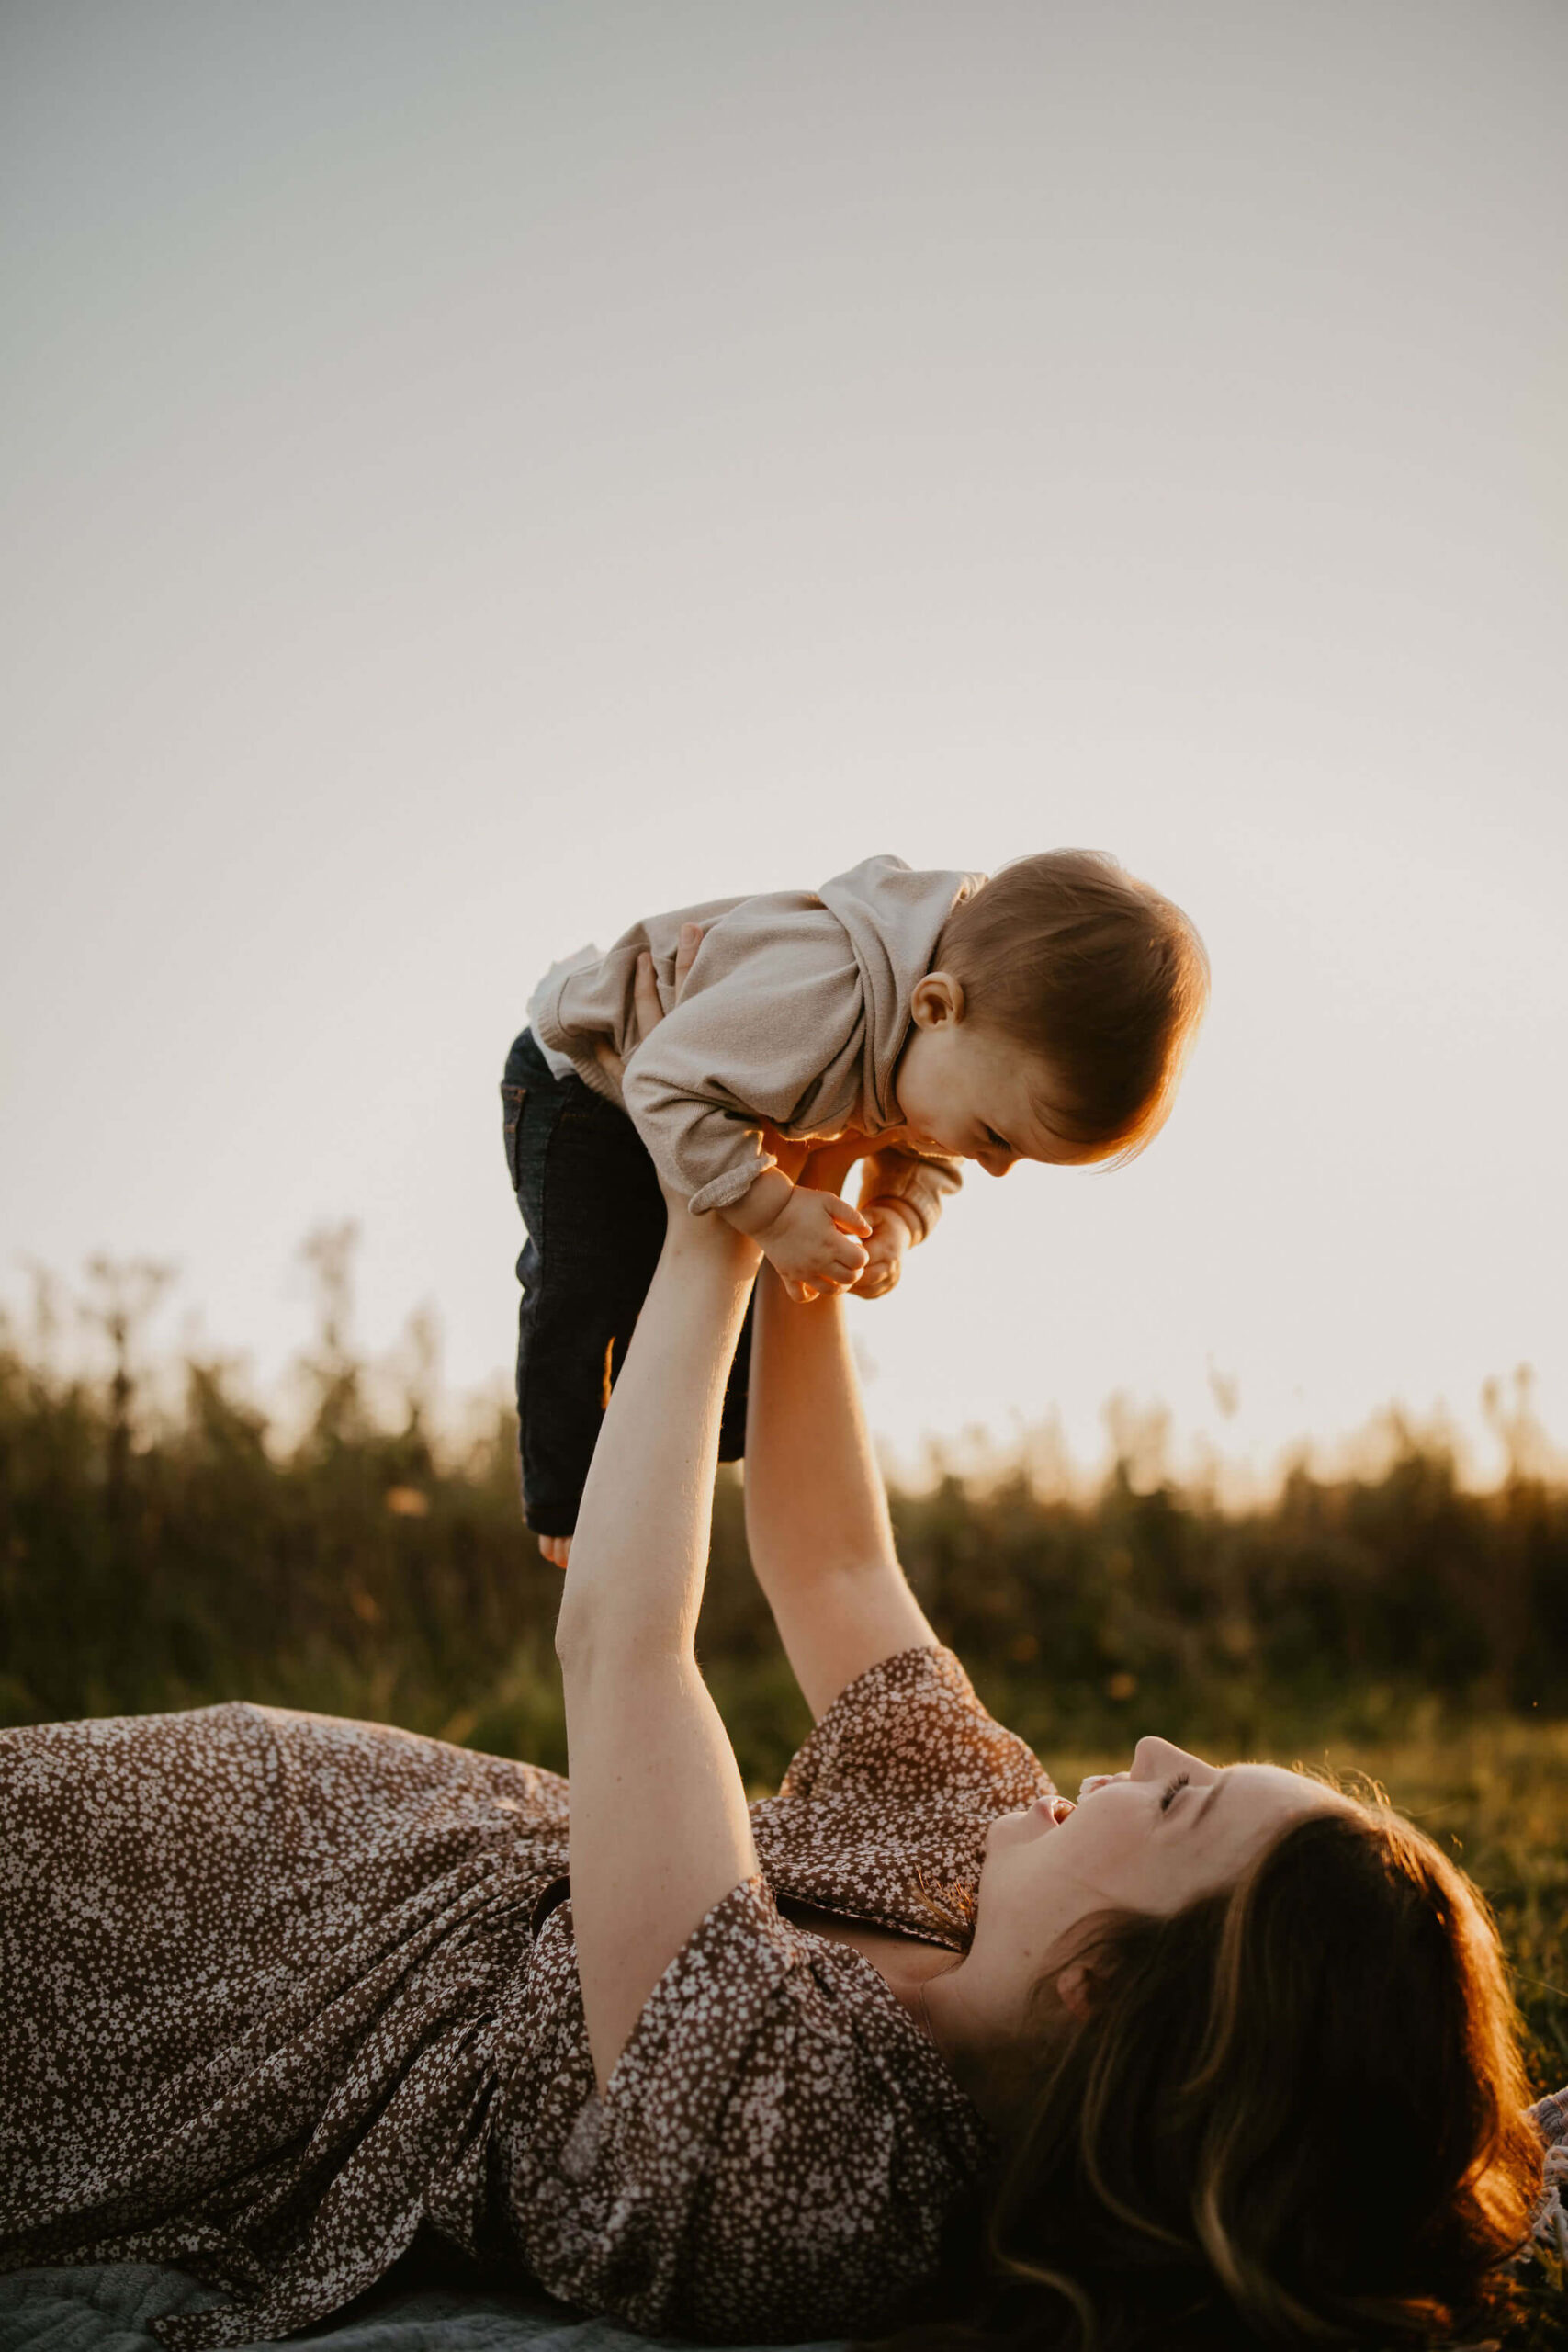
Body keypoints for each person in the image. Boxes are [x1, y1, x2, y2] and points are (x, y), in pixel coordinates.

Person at [1, 960, 1554, 2352]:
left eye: (1184, 1804)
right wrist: (822, 1200)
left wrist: (710, 1227)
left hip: (199, 2007)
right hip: (218, 1819)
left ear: (1101, 1988)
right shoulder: (972, 1860)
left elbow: (623, 1646)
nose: (1145, 1757)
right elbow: (830, 1563)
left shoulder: (815, 2170)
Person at [503, 847, 1208, 1563]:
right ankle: (562, 1495)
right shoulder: (823, 1002)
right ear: (935, 1006)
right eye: (995, 1137)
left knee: (732, 1366)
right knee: (585, 1281)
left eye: (1015, 1154)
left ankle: (662, 1453)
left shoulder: (945, 1051)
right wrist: (774, 1211)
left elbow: (924, 1149)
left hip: (696, 1098)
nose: (992, 1167)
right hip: (588, 1077)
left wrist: (897, 1222)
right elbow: (660, 1078)